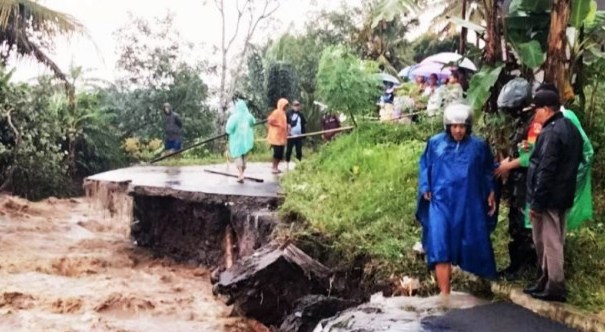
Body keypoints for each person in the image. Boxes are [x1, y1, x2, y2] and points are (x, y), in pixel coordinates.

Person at [416, 103, 498, 297]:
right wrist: (425, 186)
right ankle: (445, 296)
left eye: (462, 126)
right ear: (448, 126)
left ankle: (486, 289)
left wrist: (491, 191)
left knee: (473, 240)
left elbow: (488, 171)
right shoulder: (436, 143)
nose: (458, 130)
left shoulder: (478, 146)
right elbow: (425, 165)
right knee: (440, 245)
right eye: (454, 126)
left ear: (468, 126)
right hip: (440, 202)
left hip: (468, 204)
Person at [523, 90, 582, 303]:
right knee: (554, 239)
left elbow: (546, 170)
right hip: (563, 194)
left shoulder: (551, 133)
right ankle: (545, 280)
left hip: (548, 197)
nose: (535, 115)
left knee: (550, 242)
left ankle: (555, 285)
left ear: (546, 109)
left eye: (536, 110)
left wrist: (537, 202)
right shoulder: (571, 129)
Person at [494, 78, 538, 280]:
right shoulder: (524, 122)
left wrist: (507, 166)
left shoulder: (535, 124)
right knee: (515, 222)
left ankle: (525, 266)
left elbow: (531, 156)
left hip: (528, 183)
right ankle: (518, 264)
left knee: (523, 224)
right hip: (518, 183)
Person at [225, 100, 256, 183]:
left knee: (237, 156)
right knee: (244, 156)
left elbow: (229, 128)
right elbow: (253, 122)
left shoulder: (234, 117)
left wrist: (229, 133)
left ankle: (241, 174)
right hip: (246, 140)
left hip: (237, 140)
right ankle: (241, 174)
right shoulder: (249, 116)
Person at [267, 98, 289, 174]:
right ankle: (273, 167)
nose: (286, 107)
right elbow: (269, 120)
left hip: (281, 138)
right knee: (277, 153)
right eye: (285, 105)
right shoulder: (276, 112)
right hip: (275, 137)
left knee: (280, 154)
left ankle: (276, 167)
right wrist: (278, 125)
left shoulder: (283, 113)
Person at [286, 100, 306, 167]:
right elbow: (285, 123)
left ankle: (299, 164)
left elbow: (303, 124)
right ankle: (287, 164)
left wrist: (303, 134)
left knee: (299, 150)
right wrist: (287, 132)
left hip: (298, 136)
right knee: (289, 150)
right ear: (292, 106)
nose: (296, 107)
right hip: (290, 136)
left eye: (298, 105)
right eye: (295, 105)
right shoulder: (288, 113)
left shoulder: (301, 115)